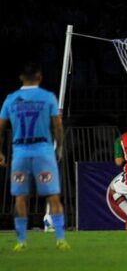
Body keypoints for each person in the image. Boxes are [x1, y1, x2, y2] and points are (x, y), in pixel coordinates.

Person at [0, 63, 70, 251]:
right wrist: (60, 147)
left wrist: (0, 151)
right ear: (39, 77)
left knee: (20, 197)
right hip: (43, 151)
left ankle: (21, 241)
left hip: (20, 152)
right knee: (53, 195)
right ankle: (60, 239)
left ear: (21, 77)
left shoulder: (11, 99)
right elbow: (57, 125)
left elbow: (0, 127)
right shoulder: (48, 98)